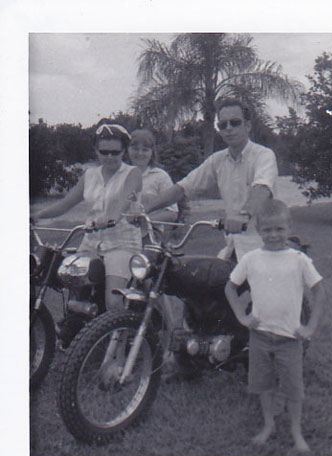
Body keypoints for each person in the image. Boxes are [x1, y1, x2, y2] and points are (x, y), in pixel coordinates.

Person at [225, 199, 325, 453]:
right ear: (258, 230)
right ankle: (269, 424)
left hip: (289, 338)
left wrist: (310, 327)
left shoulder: (299, 259)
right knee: (263, 385)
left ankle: (295, 430)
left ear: (289, 227)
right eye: (267, 230)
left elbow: (319, 292)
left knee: (293, 389)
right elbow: (230, 287)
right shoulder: (251, 259)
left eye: (279, 229)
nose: (273, 235)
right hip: (259, 336)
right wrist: (242, 317)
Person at [142, 97, 278, 260]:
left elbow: (262, 189)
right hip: (233, 248)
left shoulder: (263, 156)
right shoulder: (217, 160)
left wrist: (243, 215)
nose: (228, 128)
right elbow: (183, 188)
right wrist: (144, 209)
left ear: (247, 126)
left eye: (235, 122)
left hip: (266, 246)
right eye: (222, 124)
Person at [31, 122, 142, 311]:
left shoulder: (132, 173)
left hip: (121, 245)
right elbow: (66, 203)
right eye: (104, 151)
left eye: (115, 152)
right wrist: (37, 215)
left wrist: (110, 218)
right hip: (90, 244)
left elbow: (123, 201)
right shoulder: (90, 175)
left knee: (113, 300)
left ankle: (120, 339)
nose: (109, 157)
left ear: (124, 151)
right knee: (74, 294)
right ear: (96, 151)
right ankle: (79, 336)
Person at [127, 128, 178, 241]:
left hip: (150, 236)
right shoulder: (119, 174)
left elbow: (172, 213)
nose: (140, 153)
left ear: (152, 152)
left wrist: (146, 220)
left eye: (145, 150)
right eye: (135, 149)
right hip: (120, 236)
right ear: (128, 149)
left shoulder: (160, 176)